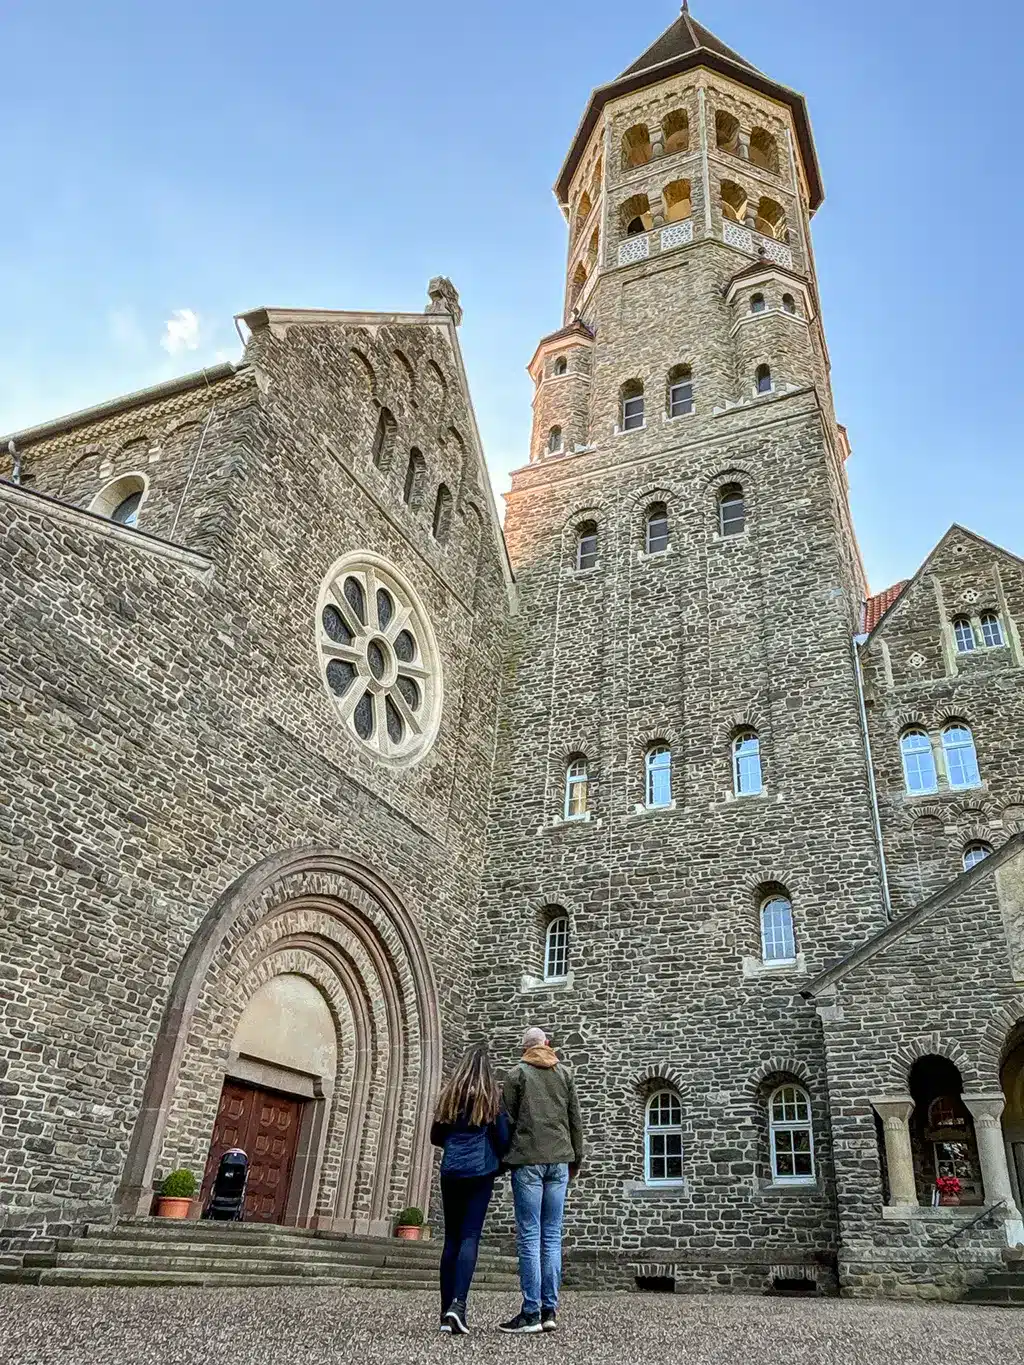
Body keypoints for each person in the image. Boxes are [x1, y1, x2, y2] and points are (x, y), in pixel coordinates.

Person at [498, 1025, 584, 1335]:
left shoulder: (517, 1074)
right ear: (547, 1044)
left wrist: (503, 1157)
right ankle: (550, 1310)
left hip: (528, 1161)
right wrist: (577, 1158)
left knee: (530, 1236)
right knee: (551, 1236)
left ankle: (530, 1312)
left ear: (525, 1049)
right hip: (559, 1161)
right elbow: (575, 1119)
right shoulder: (565, 1074)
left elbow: (505, 1120)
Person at [430, 1042, 511, 1336]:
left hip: (451, 1171)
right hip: (480, 1173)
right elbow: (503, 1139)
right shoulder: (491, 1100)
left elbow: (435, 1135)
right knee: (469, 1237)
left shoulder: (449, 1096)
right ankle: (458, 1305)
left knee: (450, 1239)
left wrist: (456, 1141)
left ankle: (443, 1313)